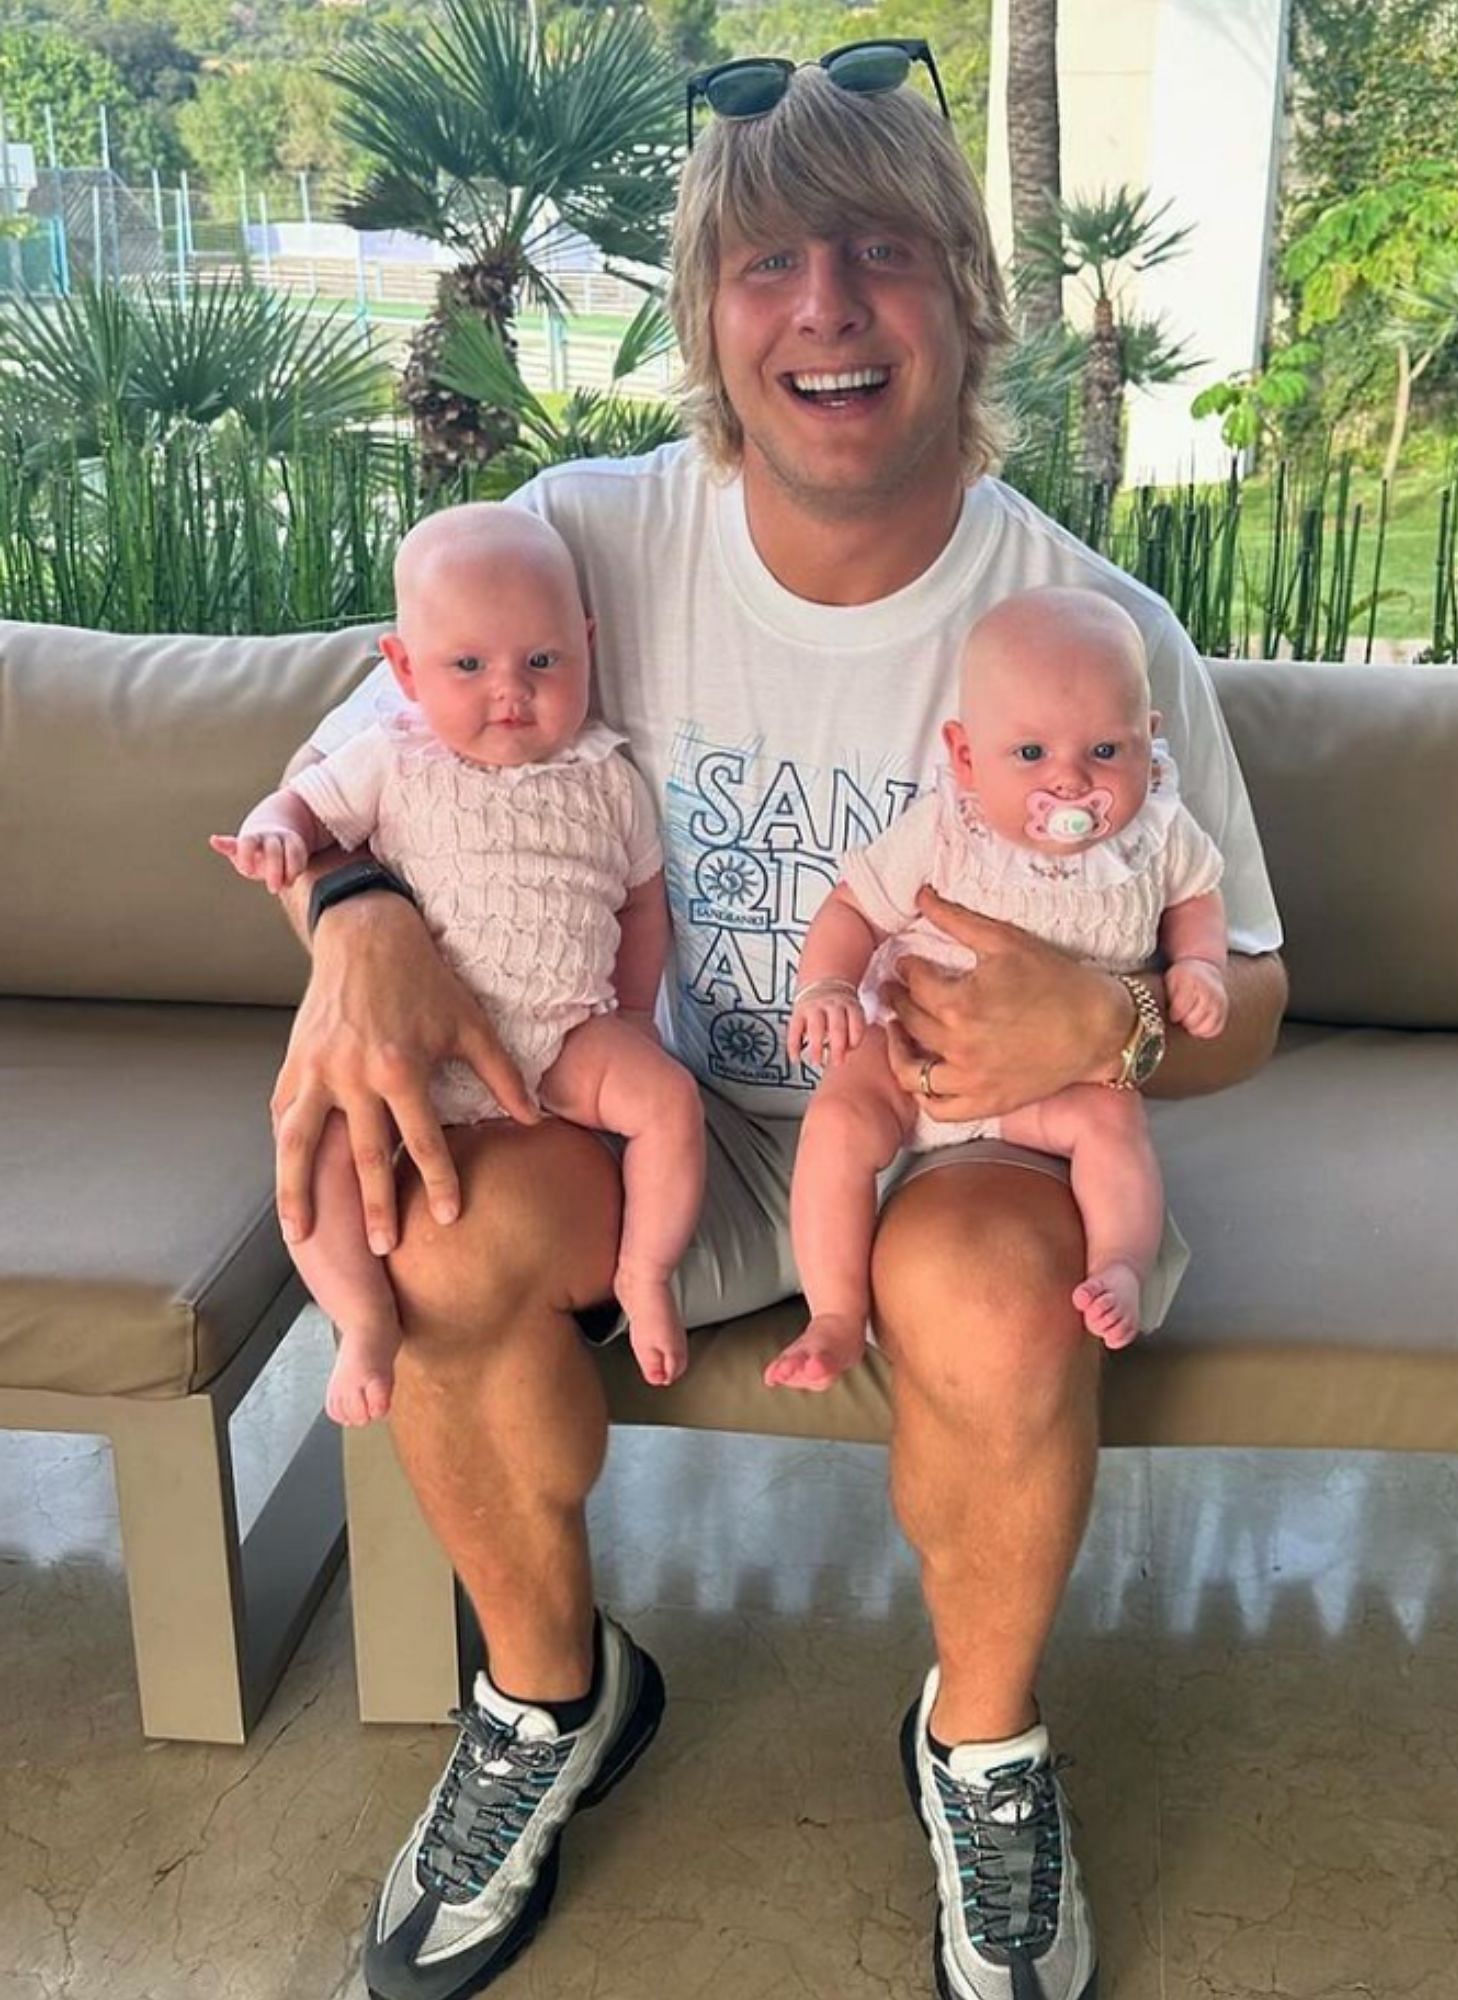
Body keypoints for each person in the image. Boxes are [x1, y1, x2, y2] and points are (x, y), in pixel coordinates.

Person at [272, 51, 1285, 2000]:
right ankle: (553, 1693)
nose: (821, 303)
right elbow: (367, 743)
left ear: (964, 303)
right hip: (643, 1105)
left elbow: (1251, 985)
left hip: (957, 1133)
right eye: (764, 260)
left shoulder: (1088, 632)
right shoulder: (584, 540)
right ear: (705, 316)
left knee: (995, 1293)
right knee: (435, 1225)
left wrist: (1119, 1031)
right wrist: (355, 908)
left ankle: (979, 1746)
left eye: (881, 251)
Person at [213, 504, 704, 1420]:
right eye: (468, 666)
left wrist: (634, 1016)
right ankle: (362, 1317)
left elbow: (643, 903)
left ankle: (644, 1272)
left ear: (585, 646)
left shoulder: (608, 775)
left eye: (543, 662)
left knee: (669, 1104)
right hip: (413, 1045)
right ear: (403, 669)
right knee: (310, 1145)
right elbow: (303, 811)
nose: (508, 691)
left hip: (565, 1042)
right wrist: (271, 834)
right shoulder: (392, 756)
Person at [772, 585, 1230, 1393]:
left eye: (1104, 752)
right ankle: (836, 1313)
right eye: (1028, 756)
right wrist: (828, 985)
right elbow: (853, 904)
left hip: (1050, 1084)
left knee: (1112, 1116)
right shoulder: (948, 827)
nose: (1069, 785)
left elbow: (1196, 896)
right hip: (910, 1056)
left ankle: (1118, 1266)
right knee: (839, 1118)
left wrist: (1197, 967)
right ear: (964, 755)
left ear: (1148, 743)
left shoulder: (1156, 830)